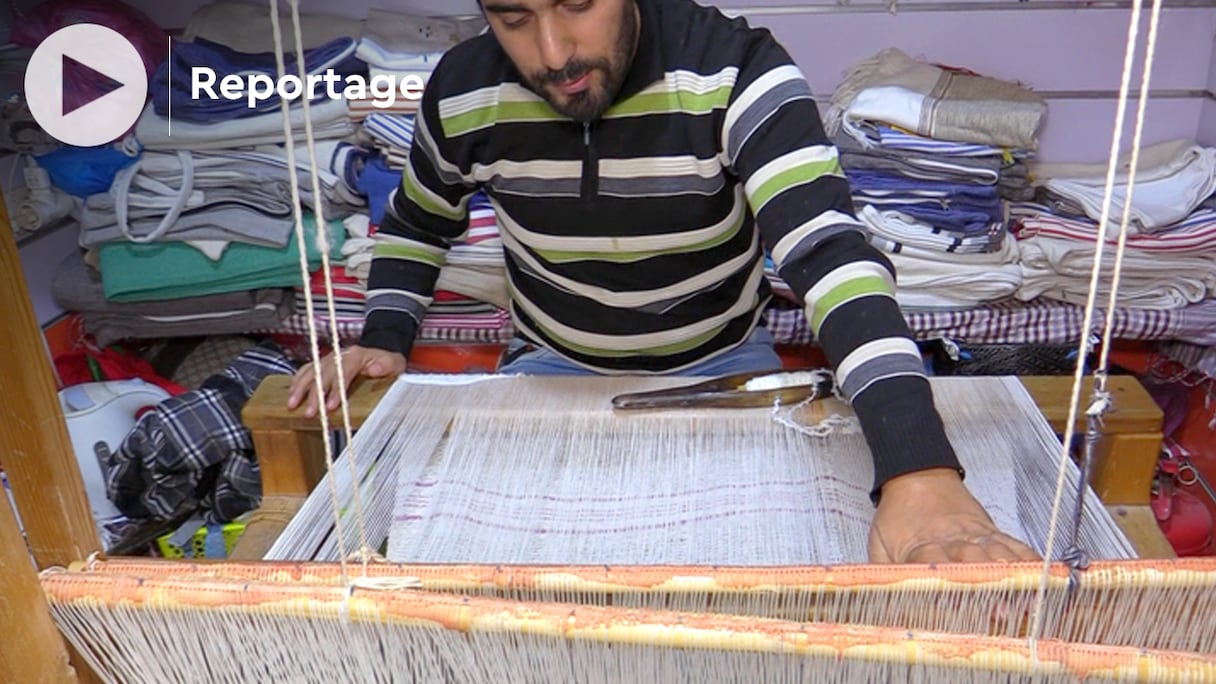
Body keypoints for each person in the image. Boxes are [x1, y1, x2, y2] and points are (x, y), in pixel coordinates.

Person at [288, 0, 1040, 565]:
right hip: (551, 370)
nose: (552, 53)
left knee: (761, 594)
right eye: (514, 17)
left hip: (724, 367)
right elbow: (421, 222)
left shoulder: (736, 72)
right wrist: (384, 336)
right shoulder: (463, 92)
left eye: (577, 4)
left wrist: (918, 466)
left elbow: (830, 256)